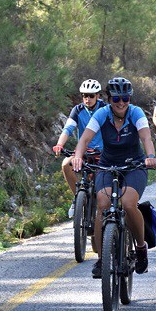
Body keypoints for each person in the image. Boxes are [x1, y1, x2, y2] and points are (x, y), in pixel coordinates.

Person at [71, 77, 156, 278]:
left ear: (130, 99)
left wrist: (151, 157)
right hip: (107, 165)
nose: (121, 103)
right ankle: (102, 259)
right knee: (102, 204)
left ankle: (140, 247)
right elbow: (84, 138)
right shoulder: (102, 113)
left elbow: (146, 137)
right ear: (109, 99)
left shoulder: (135, 113)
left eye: (125, 98)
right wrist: (77, 156)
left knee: (128, 204)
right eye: (116, 98)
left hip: (134, 165)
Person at [52, 79, 105, 217]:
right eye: (84, 96)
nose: (87, 99)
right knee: (65, 164)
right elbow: (68, 128)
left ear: (98, 96)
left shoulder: (105, 109)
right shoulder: (78, 110)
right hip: (83, 151)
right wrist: (59, 144)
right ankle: (78, 198)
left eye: (91, 96)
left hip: (103, 151)